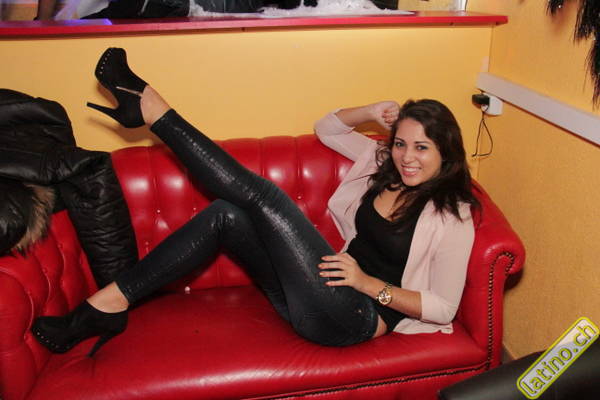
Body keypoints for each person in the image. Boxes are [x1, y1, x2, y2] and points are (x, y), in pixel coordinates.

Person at [31, 47, 479, 357]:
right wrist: (370, 112)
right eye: (401, 143)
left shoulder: (453, 214)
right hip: (308, 294)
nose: (407, 157)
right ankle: (108, 304)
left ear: (446, 152)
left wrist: (367, 285)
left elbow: (443, 306)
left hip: (352, 318)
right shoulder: (382, 167)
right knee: (225, 215)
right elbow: (327, 128)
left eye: (422, 148)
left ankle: (151, 110)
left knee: (265, 196)